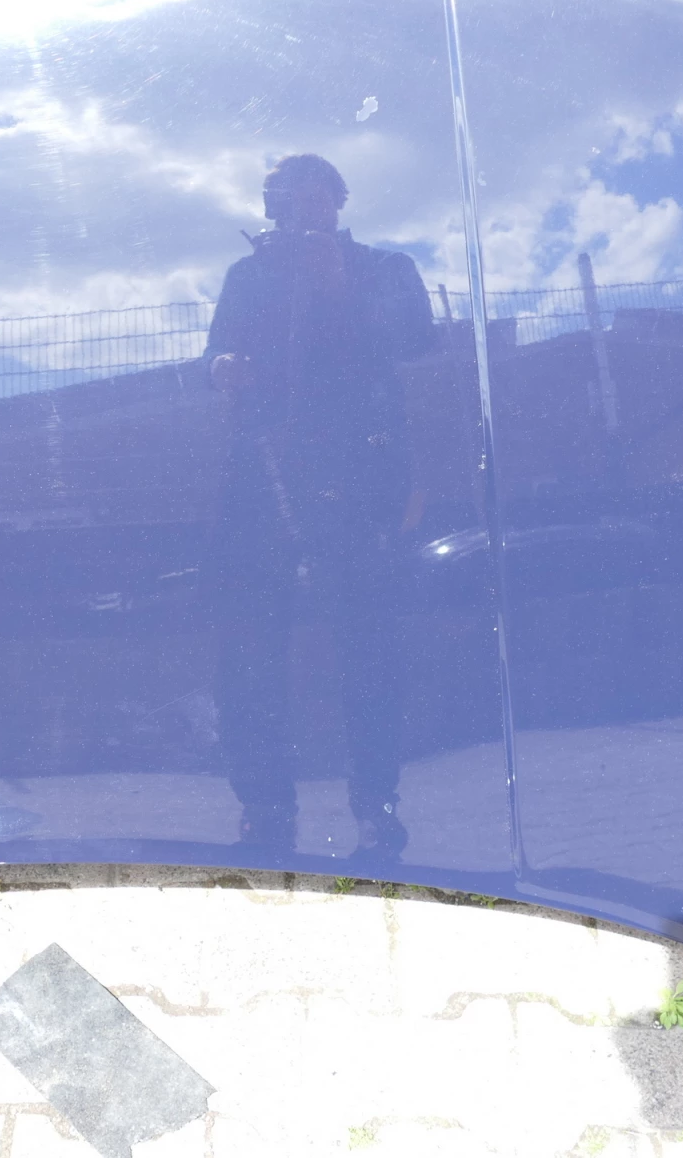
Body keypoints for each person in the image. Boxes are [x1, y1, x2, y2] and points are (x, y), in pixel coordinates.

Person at [205, 153, 435, 860]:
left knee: (369, 647)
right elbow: (216, 355)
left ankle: (377, 806)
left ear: (339, 203)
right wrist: (222, 369)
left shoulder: (385, 267)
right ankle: (265, 807)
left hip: (359, 483)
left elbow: (417, 341)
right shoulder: (248, 277)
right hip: (265, 479)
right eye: (294, 202)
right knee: (250, 652)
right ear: (274, 212)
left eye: (321, 198)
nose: (310, 213)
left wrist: (338, 285)